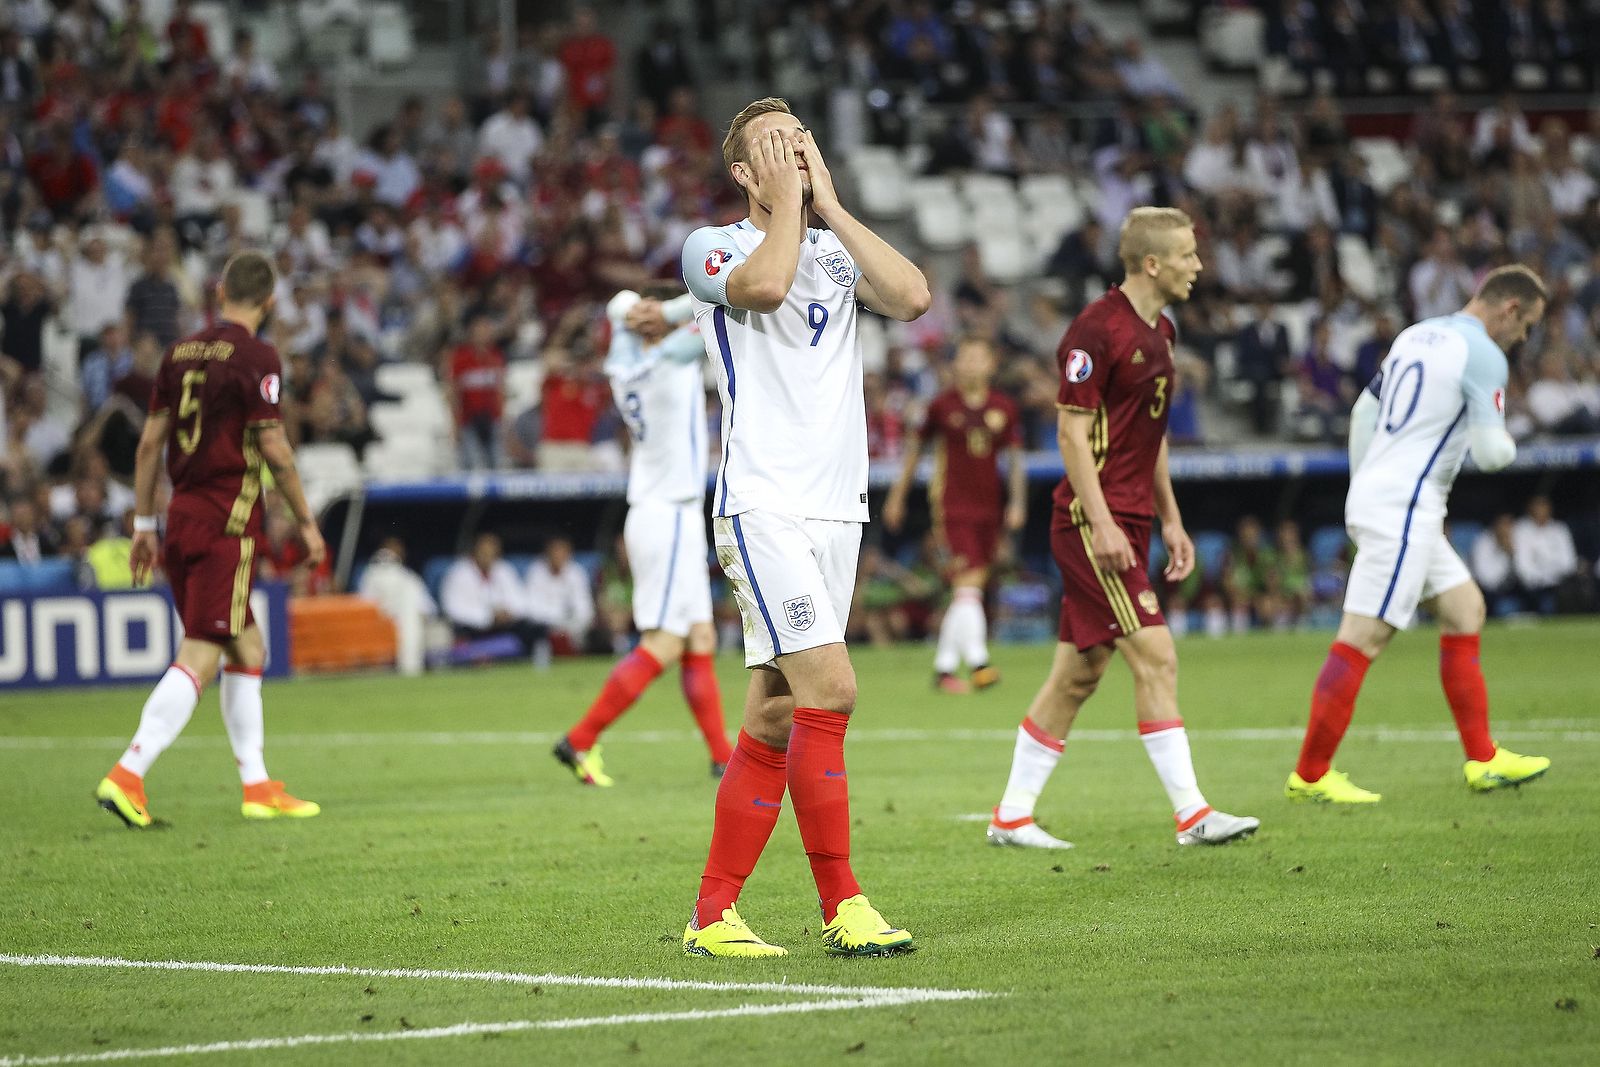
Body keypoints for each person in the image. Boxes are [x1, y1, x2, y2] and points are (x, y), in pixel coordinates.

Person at [676, 97, 930, 959]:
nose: (791, 155)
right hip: (762, 504)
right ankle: (844, 903)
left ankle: (712, 915)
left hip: (837, 510)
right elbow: (767, 286)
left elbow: (914, 296)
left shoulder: (832, 248)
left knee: (778, 714)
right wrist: (791, 204)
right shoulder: (712, 247)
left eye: (800, 141)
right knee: (834, 689)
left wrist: (830, 204)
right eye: (773, 150)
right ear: (743, 174)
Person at [986, 207, 1259, 852]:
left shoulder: (1162, 329)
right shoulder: (1095, 330)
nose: (1199, 266)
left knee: (1080, 672)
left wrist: (1172, 516)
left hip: (1132, 517)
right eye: (1189, 255)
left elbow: (1149, 435)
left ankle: (1012, 817)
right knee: (1157, 654)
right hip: (1090, 519)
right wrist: (1103, 523)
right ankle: (1193, 815)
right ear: (1153, 263)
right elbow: (1070, 433)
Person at [1287, 266, 1552, 804]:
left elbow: (1365, 410)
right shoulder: (1483, 356)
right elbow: (1492, 453)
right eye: (1526, 326)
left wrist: (1366, 485)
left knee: (1464, 608)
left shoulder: (1416, 335)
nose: (1524, 339)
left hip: (1389, 496)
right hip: (1405, 505)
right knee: (1364, 636)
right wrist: (1517, 438)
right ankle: (1311, 775)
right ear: (1509, 310)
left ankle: (1483, 759)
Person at [95, 251, 326, 829]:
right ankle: (128, 772)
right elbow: (272, 447)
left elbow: (150, 445)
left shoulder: (179, 354)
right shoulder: (258, 356)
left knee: (248, 649)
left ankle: (257, 786)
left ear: (220, 292)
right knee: (200, 650)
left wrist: (145, 525)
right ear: (269, 302)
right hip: (227, 523)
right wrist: (306, 521)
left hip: (181, 519)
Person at [552, 288, 734, 787]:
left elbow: (632, 328)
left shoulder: (621, 367)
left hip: (659, 511)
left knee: (700, 635)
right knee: (666, 640)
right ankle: (581, 738)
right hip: (668, 513)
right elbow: (715, 314)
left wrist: (630, 314)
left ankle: (722, 757)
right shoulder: (669, 361)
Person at [883, 336, 1024, 693]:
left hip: (989, 510)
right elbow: (915, 452)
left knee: (967, 590)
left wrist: (1017, 503)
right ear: (955, 364)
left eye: (980, 357)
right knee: (969, 585)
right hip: (952, 507)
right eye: (966, 357)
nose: (973, 364)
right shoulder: (942, 407)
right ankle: (979, 663)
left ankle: (944, 670)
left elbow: (1014, 460)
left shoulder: (1003, 407)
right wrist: (897, 497)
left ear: (991, 364)